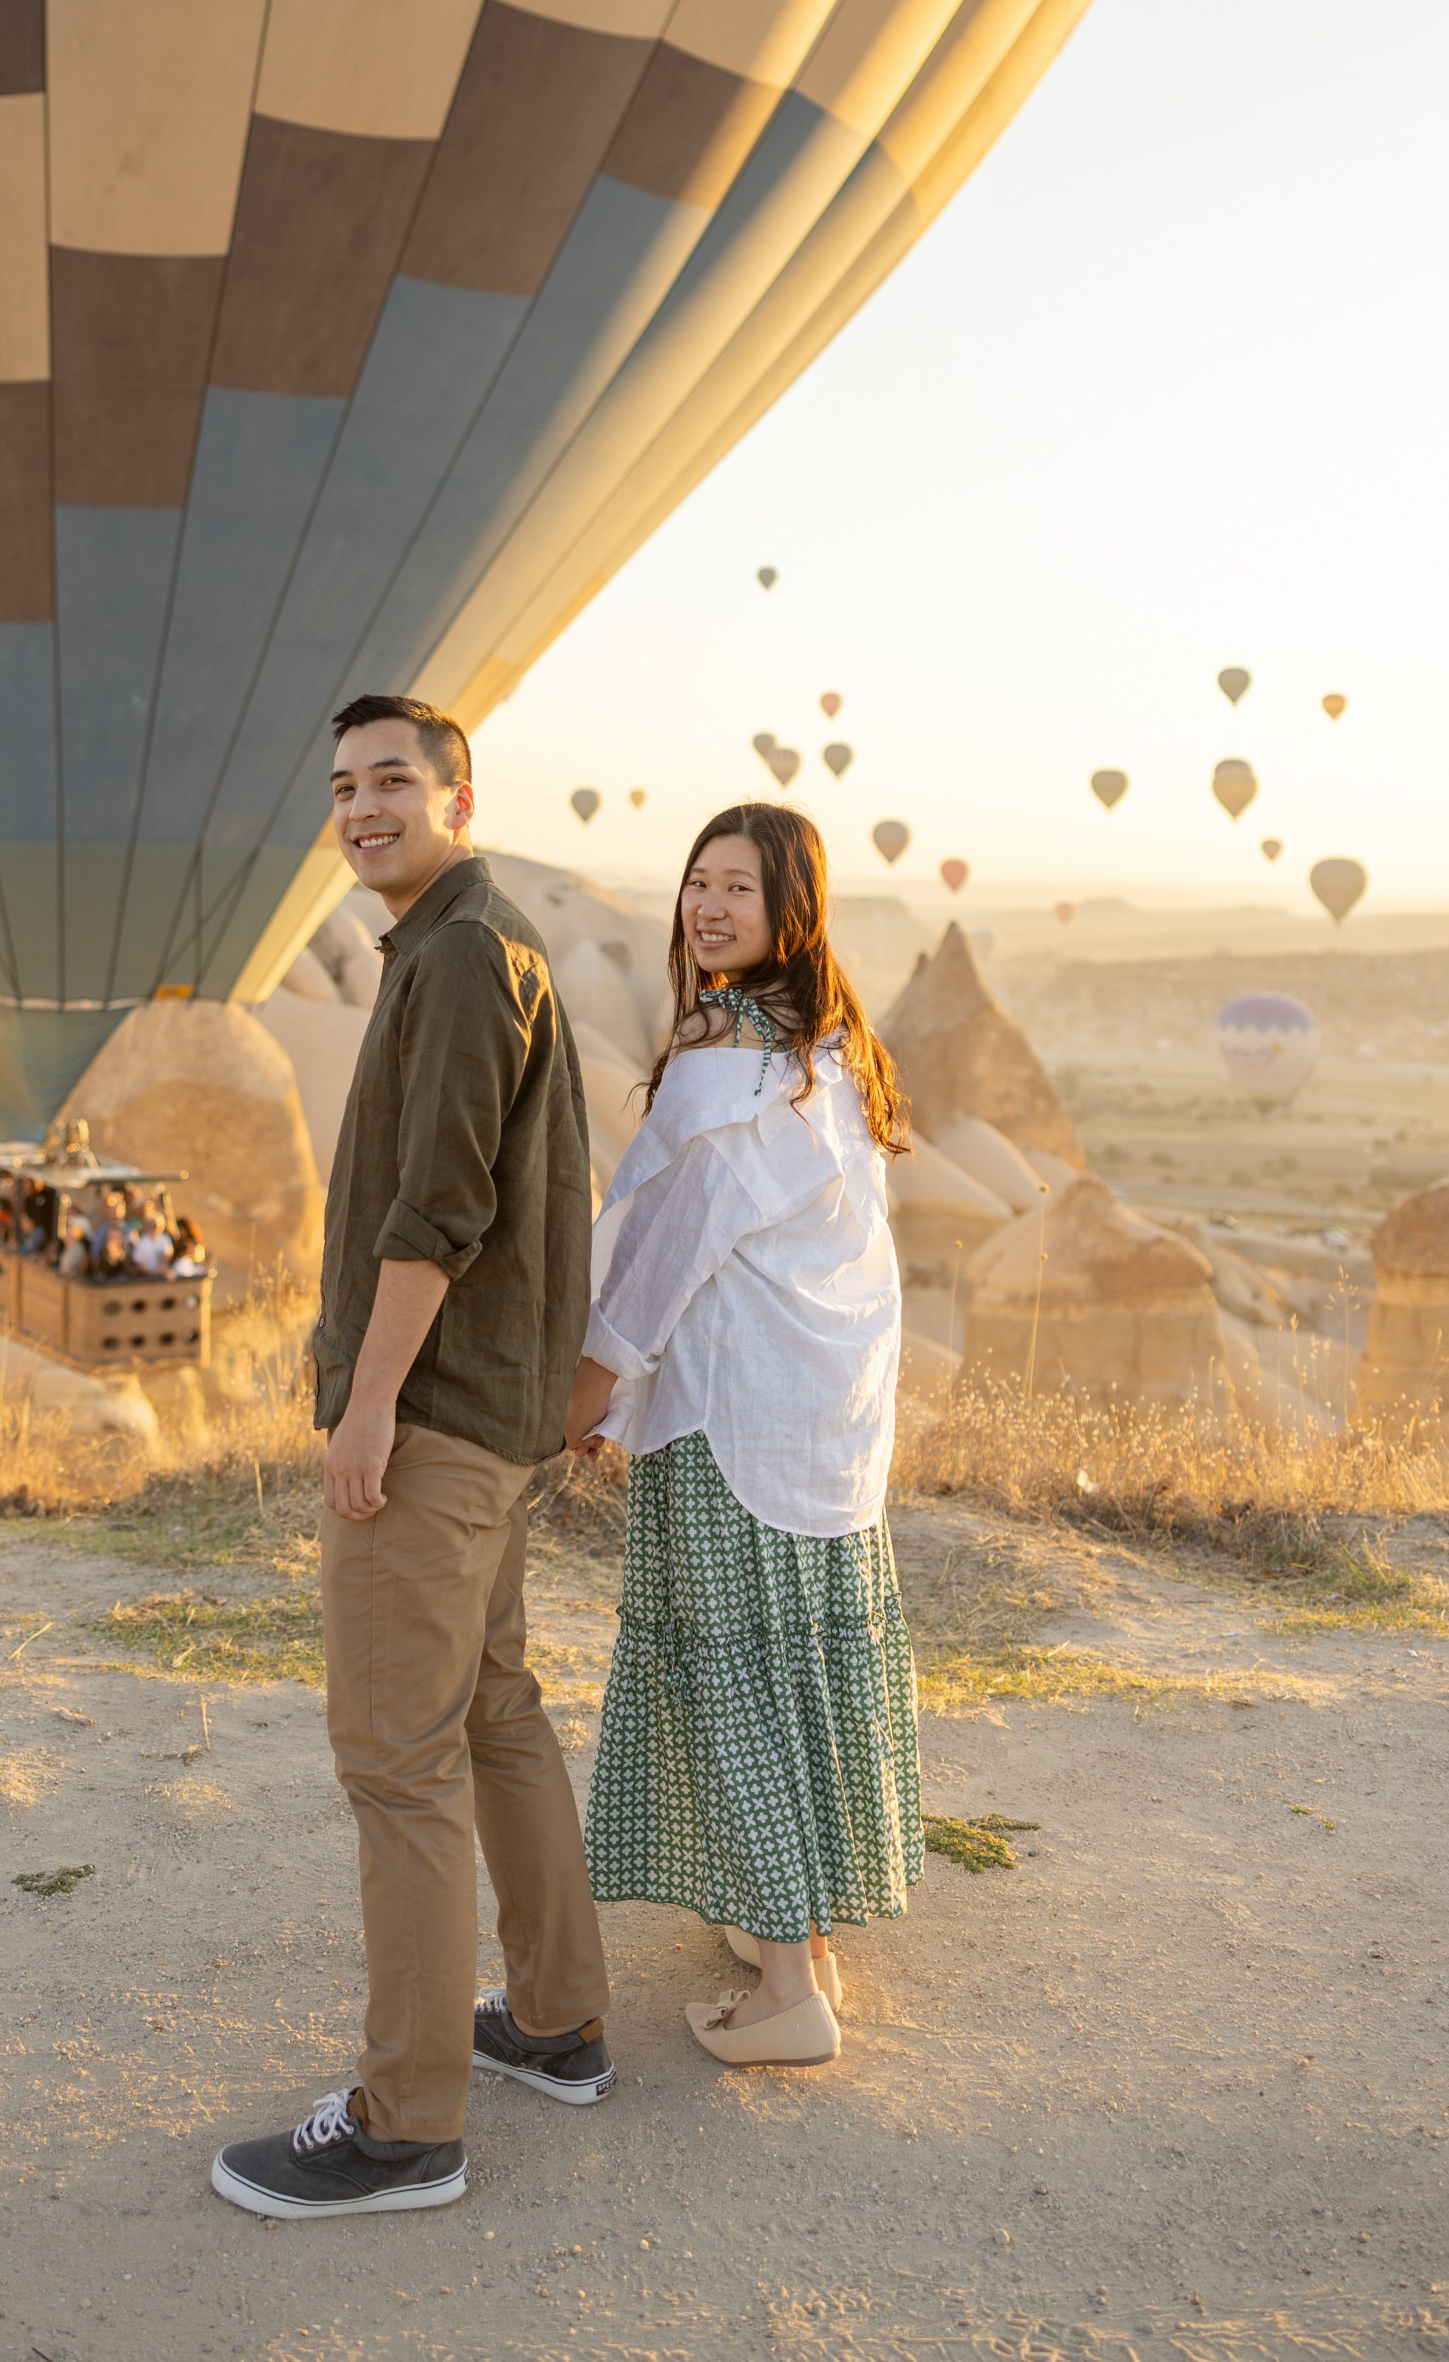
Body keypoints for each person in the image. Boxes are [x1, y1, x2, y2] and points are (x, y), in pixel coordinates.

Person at [211, 693, 610, 2222]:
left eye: (392, 780)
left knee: (395, 1759)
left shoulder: (452, 956)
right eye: (342, 786)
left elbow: (436, 1209)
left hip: (434, 1417)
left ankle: (406, 2122)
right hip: (496, 1415)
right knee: (495, 1713)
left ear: (458, 790)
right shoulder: (477, 939)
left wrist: (368, 1405)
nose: (361, 806)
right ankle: (560, 2020)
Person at [566, 800, 923, 2071]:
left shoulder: (727, 1051)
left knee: (733, 1672)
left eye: (738, 888)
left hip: (725, 1417)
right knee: (796, 1664)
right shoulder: (823, 1043)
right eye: (695, 884)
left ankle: (784, 1992)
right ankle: (804, 1937)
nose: (708, 908)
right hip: (816, 1420)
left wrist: (588, 1390)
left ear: (790, 911)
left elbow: (664, 1253)